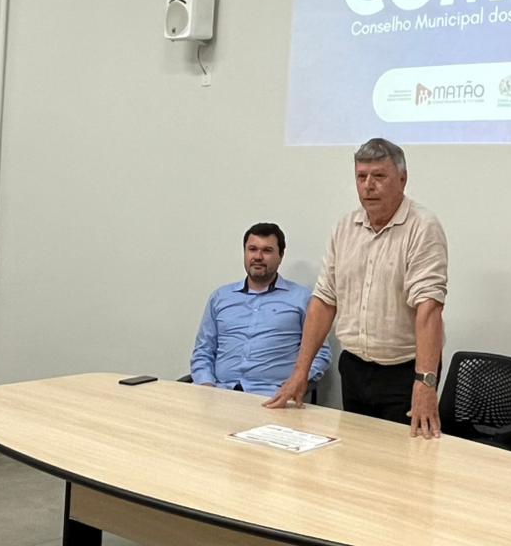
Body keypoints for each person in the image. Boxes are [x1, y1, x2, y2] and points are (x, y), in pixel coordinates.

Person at [265, 138, 448, 439]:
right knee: (355, 453)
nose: (368, 185)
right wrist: (300, 371)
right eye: (361, 177)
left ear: (402, 179)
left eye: (379, 176)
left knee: (404, 458)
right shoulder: (345, 227)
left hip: (403, 373)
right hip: (354, 368)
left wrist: (425, 383)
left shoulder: (423, 227)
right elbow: (324, 301)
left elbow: (429, 308)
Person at [189, 223, 330, 398]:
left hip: (272, 398)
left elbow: (321, 354)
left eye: (267, 251)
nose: (258, 256)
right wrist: (206, 386)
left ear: (281, 256)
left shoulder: (302, 299)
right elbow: (203, 351)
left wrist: (295, 383)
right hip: (218, 393)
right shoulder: (220, 297)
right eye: (252, 249)